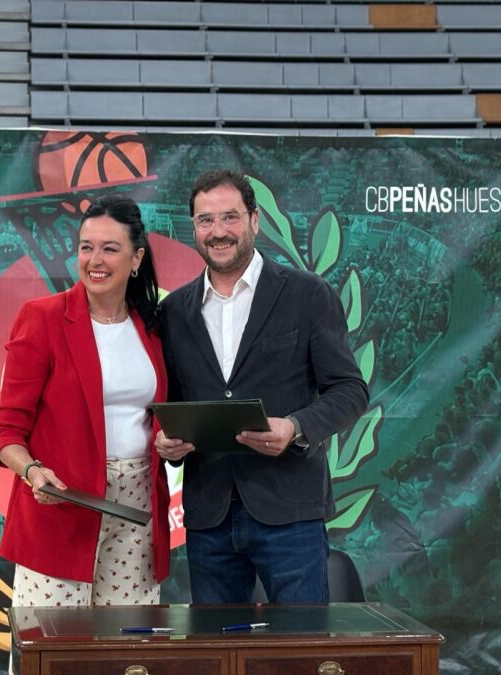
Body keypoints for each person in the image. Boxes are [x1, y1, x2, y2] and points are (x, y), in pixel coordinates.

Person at [155, 169, 369, 604]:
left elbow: (350, 389)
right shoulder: (174, 311)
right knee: (216, 643)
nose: (218, 231)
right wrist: (167, 441)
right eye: (206, 220)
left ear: (254, 220)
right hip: (209, 515)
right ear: (194, 227)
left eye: (230, 217)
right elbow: (171, 401)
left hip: (291, 511)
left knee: (302, 640)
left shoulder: (308, 294)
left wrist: (295, 427)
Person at [0, 194, 171, 611]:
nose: (95, 260)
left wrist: (172, 442)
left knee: (129, 639)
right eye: (86, 247)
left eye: (110, 248)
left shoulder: (153, 326)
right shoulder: (43, 318)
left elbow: (160, 415)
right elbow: (4, 432)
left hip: (138, 510)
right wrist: (32, 471)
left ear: (137, 258)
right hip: (63, 508)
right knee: (53, 643)